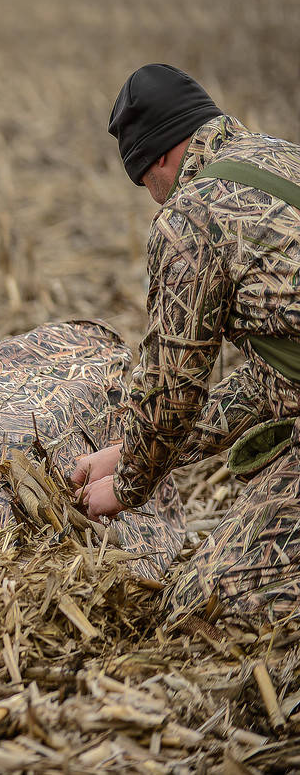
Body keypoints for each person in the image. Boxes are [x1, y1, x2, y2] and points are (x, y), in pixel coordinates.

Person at [74, 63, 300, 625]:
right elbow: (273, 377)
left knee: (203, 605)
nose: (153, 198)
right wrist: (133, 451)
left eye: (144, 182)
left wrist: (128, 486)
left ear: (161, 159)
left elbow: (175, 388)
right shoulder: (280, 156)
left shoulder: (190, 220)